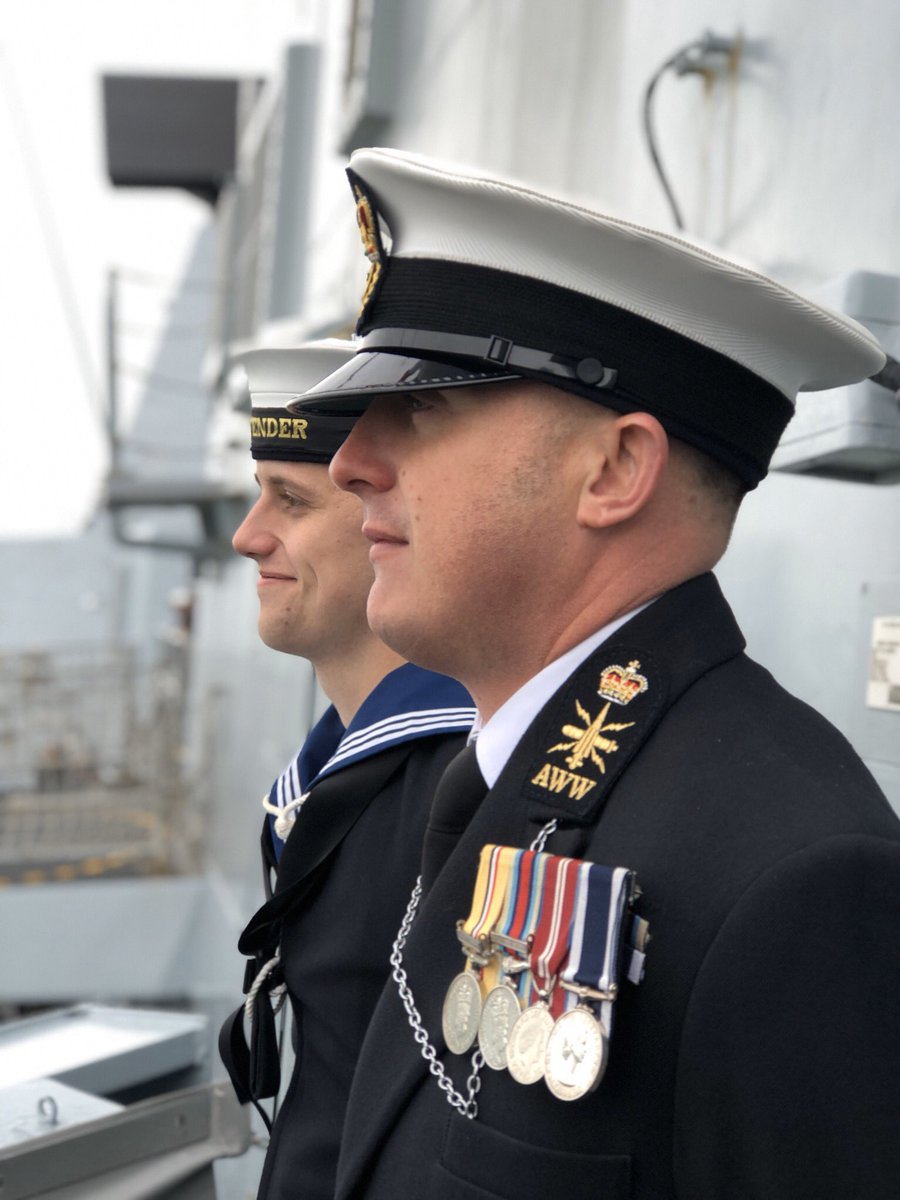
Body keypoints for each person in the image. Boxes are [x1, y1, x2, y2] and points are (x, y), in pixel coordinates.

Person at [292, 151, 900, 1200]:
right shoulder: (516, 787)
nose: (350, 463)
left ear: (615, 471)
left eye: (425, 408)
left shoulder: (794, 883)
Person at [218, 338, 475, 1200]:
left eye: (290, 499)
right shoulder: (341, 768)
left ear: (385, 518)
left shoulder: (460, 787)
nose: (247, 536)